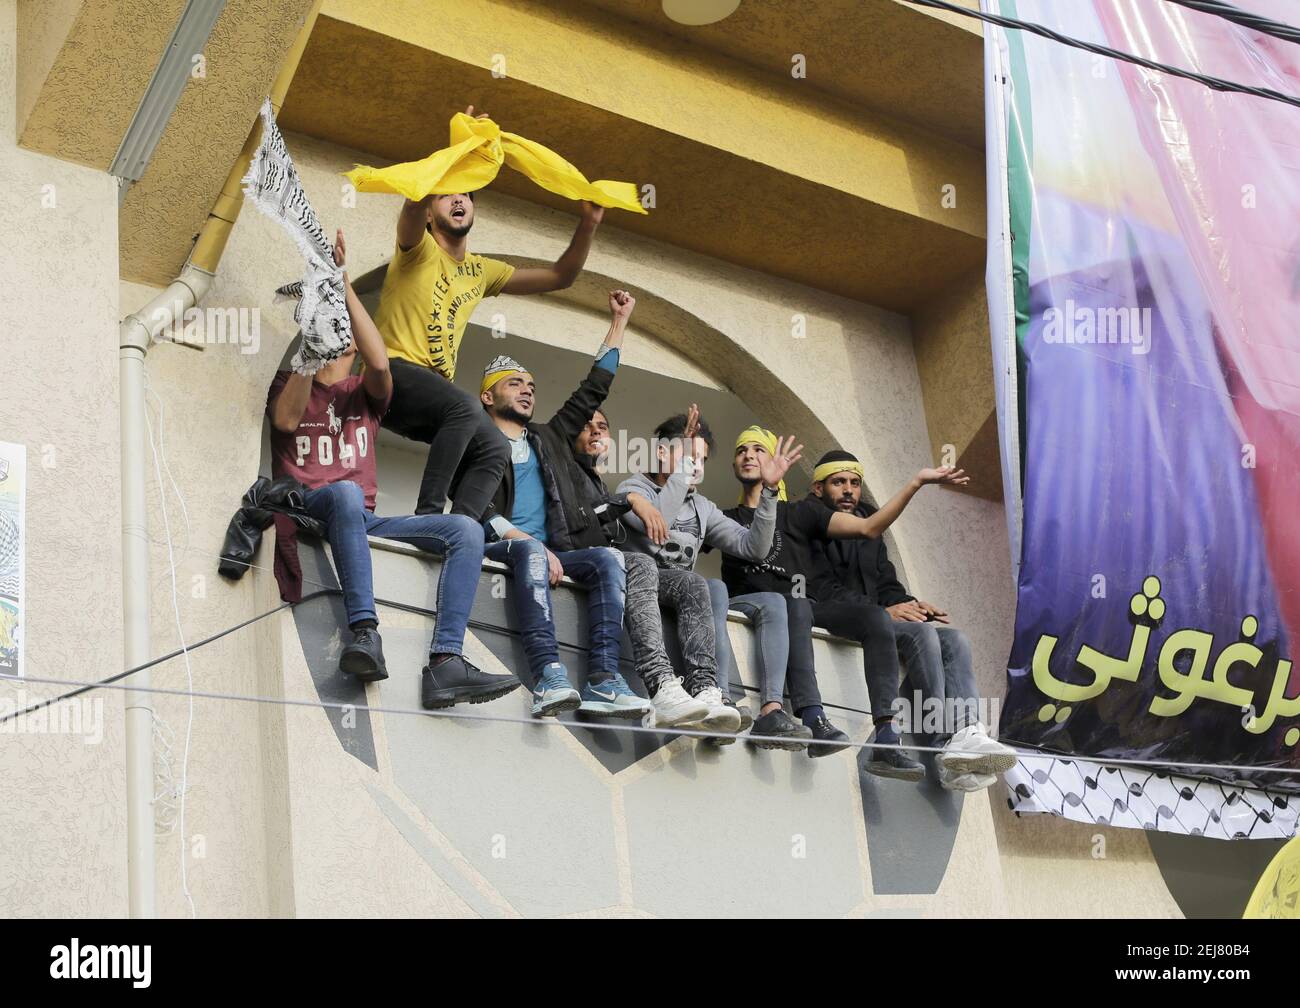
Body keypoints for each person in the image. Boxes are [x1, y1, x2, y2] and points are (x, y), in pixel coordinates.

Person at [266, 230, 518, 710]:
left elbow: (381, 361)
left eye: (344, 335)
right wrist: (310, 350)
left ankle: (446, 663)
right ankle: (365, 632)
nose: (343, 342)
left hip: (362, 520)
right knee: (341, 493)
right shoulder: (291, 381)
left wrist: (341, 282)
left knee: (464, 528)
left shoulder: (365, 393)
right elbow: (284, 420)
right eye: (332, 332)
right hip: (311, 508)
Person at [374, 106, 607, 519]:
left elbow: (560, 276)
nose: (459, 198)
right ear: (431, 211)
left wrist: (588, 223)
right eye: (447, 194)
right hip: (391, 374)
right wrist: (455, 155)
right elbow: (411, 208)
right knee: (465, 407)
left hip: (430, 398)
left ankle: (463, 526)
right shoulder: (417, 249)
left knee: (495, 445)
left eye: (466, 193)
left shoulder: (482, 271)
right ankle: (429, 515)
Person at [720, 427, 971, 782]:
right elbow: (680, 530)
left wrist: (915, 483)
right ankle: (813, 717)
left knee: (871, 617)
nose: (748, 454)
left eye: (759, 449)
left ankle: (887, 735)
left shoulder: (799, 514)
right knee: (794, 603)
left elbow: (869, 527)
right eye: (741, 449)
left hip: (804, 604)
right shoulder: (723, 516)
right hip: (762, 606)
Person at [477, 291, 657, 721]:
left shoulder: (551, 436)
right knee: (529, 551)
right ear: (488, 397)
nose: (526, 391)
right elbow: (473, 507)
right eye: (514, 384)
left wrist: (619, 322)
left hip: (553, 550)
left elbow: (594, 388)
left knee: (610, 558)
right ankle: (548, 677)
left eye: (531, 387)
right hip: (503, 545)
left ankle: (602, 682)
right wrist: (525, 540)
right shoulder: (474, 439)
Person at [807, 450, 1017, 791]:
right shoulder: (810, 521)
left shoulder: (868, 519)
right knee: (921, 636)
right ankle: (941, 745)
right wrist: (884, 612)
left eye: (854, 483)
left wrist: (909, 603)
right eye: (838, 482)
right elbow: (819, 586)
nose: (848, 490)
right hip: (838, 618)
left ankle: (966, 730)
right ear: (818, 488)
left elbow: (886, 582)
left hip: (876, 619)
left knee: (954, 638)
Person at [616, 408, 801, 740]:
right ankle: (662, 686)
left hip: (674, 588)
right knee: (659, 570)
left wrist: (769, 493)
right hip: (634, 580)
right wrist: (683, 471)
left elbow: (752, 548)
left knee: (699, 582)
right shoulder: (634, 487)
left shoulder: (703, 507)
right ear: (661, 452)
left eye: (699, 459)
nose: (696, 466)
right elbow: (660, 521)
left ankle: (706, 689)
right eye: (688, 456)